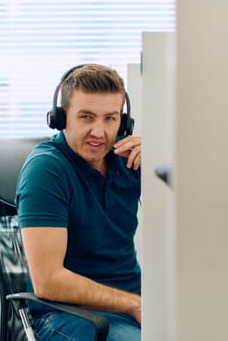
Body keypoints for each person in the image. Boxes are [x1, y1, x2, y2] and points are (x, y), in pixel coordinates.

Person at [16, 63, 142, 340]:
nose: (99, 132)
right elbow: (48, 281)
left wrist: (165, 162)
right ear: (61, 119)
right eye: (86, 117)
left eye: (110, 118)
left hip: (134, 310)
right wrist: (134, 303)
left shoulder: (128, 159)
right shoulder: (46, 169)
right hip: (67, 316)